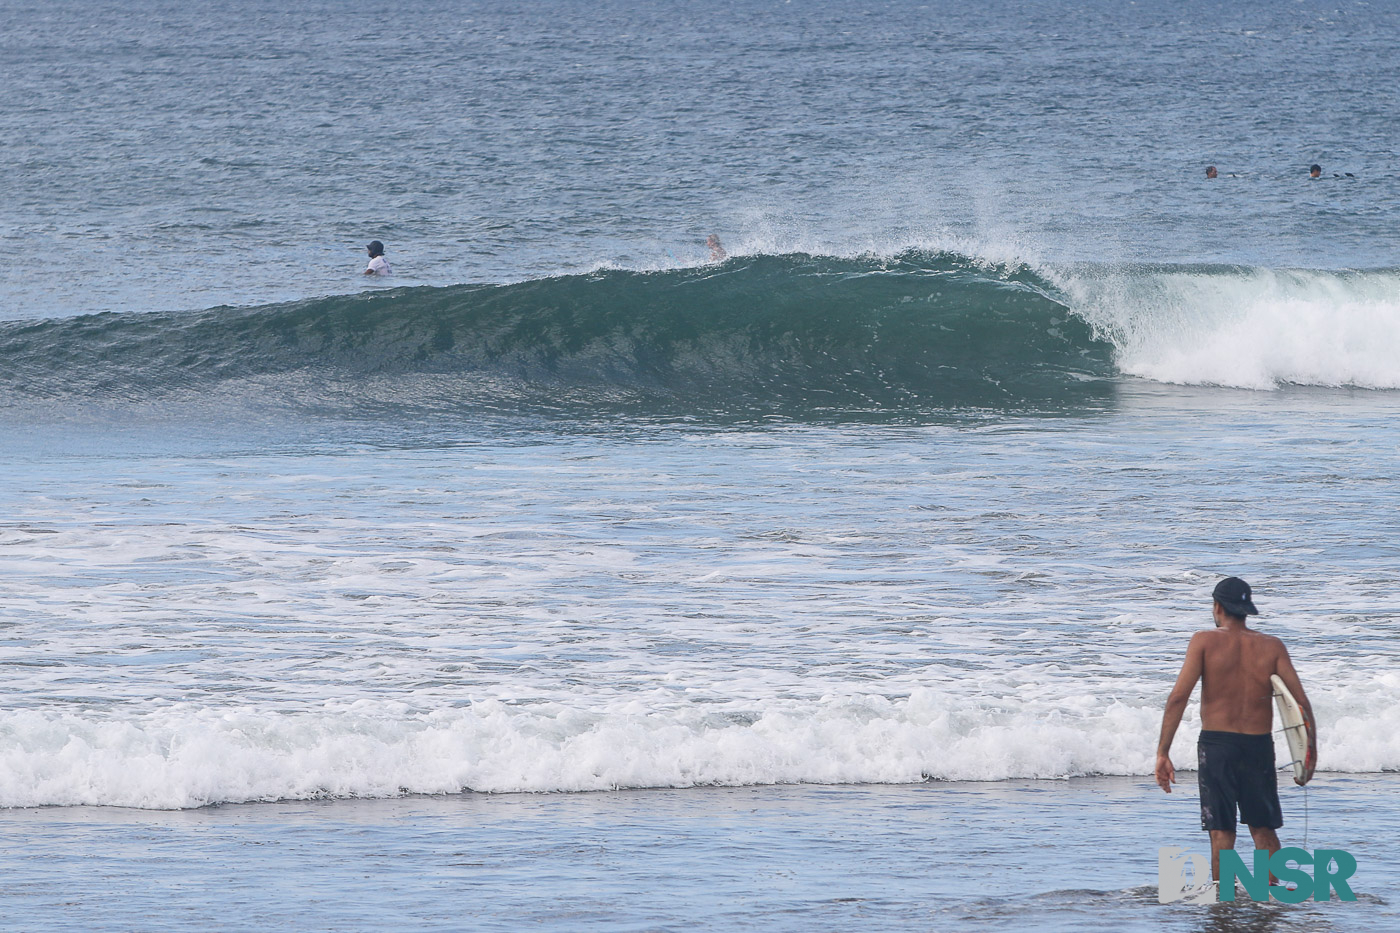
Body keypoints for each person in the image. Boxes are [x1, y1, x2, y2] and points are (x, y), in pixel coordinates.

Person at [1155, 578, 1315, 884]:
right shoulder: (1272, 646)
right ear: (1246, 609)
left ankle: (1223, 903)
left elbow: (1178, 697)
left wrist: (1163, 752)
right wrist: (1310, 752)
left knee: (1222, 832)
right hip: (1258, 746)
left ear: (1217, 607)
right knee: (1263, 828)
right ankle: (1269, 899)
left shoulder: (1203, 640)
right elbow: (1301, 704)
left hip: (1217, 747)